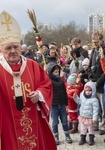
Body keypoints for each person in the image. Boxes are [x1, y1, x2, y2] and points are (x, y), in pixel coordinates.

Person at [0, 11, 56, 150]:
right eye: (8, 48)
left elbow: (46, 84)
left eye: (15, 47)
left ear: (20, 47)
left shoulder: (32, 65)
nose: (13, 51)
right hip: (8, 126)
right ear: (1, 50)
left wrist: (39, 94)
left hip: (34, 122)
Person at [47, 63, 72, 145]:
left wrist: (66, 103)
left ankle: (67, 135)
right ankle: (56, 136)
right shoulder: (49, 81)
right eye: (55, 71)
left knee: (64, 121)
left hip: (61, 105)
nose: (57, 72)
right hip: (54, 105)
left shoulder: (61, 81)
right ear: (51, 72)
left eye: (58, 70)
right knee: (55, 122)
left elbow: (64, 92)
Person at [73, 81, 99, 146]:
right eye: (86, 90)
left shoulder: (94, 100)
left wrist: (94, 118)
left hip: (90, 118)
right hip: (82, 116)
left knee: (90, 129)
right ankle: (83, 139)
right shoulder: (82, 96)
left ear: (93, 91)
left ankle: (91, 139)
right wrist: (76, 98)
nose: (88, 92)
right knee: (83, 128)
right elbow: (79, 102)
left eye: (90, 90)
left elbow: (96, 110)